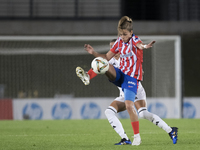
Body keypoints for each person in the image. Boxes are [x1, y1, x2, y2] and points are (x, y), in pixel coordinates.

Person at [77, 39, 178, 145]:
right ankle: (125, 139)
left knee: (143, 114)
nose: (113, 49)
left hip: (136, 89)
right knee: (109, 112)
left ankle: (171, 131)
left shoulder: (128, 59)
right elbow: (100, 64)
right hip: (123, 92)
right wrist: (89, 72)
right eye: (111, 47)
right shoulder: (109, 61)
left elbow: (139, 68)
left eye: (114, 47)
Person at [76, 16, 156, 146]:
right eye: (120, 34)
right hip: (121, 75)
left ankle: (137, 137)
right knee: (102, 63)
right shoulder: (119, 42)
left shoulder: (134, 39)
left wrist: (145, 46)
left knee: (130, 106)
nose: (122, 37)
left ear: (130, 32)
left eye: (125, 34)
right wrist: (93, 52)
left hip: (131, 79)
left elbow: (139, 45)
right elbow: (106, 57)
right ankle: (88, 76)